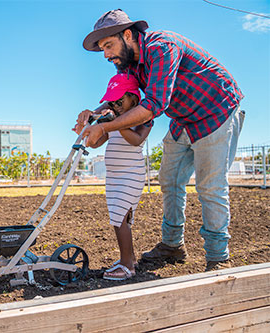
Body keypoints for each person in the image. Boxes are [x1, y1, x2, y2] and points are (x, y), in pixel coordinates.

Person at [75, 9, 244, 272]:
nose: (106, 55)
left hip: (215, 111)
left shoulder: (161, 47)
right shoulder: (131, 65)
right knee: (169, 180)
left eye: (108, 45)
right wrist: (93, 115)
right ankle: (172, 246)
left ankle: (218, 257)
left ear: (128, 35)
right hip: (183, 117)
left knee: (210, 186)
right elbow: (121, 99)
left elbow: (154, 104)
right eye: (102, 49)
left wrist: (106, 126)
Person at [86, 73, 152, 280]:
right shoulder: (112, 119)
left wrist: (117, 123)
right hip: (114, 177)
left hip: (131, 174)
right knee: (117, 218)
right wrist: (88, 132)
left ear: (133, 97)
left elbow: (136, 140)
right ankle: (129, 258)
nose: (116, 105)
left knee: (120, 216)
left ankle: (127, 267)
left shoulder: (144, 118)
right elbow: (97, 142)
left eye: (120, 100)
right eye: (112, 102)